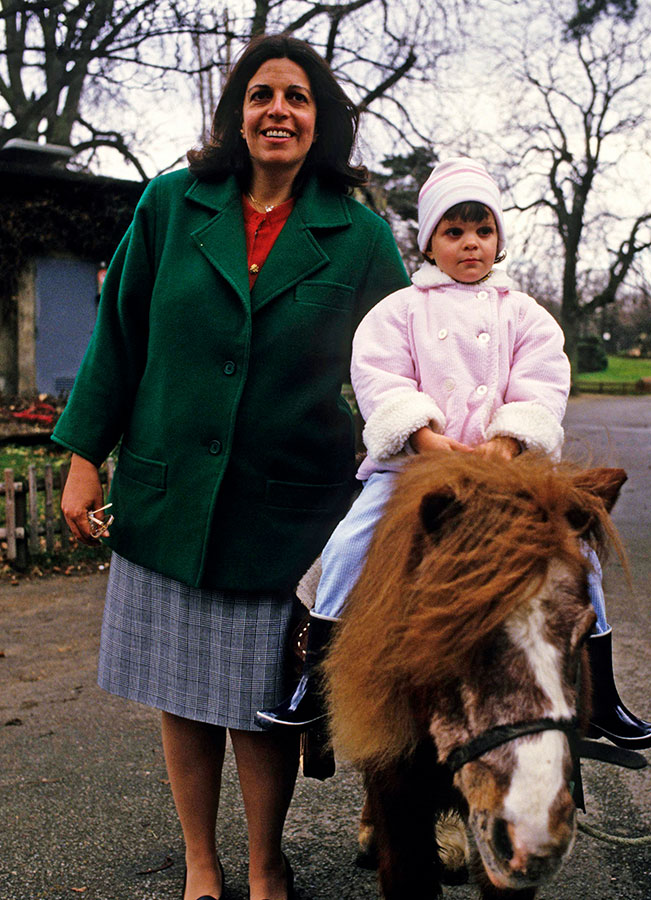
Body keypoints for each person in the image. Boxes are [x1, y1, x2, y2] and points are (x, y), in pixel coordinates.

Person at [53, 34, 409, 900]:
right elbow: (120, 336)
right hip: (170, 491)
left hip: (286, 509)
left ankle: (264, 864)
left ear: (319, 122)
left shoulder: (358, 235)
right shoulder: (173, 204)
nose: (276, 110)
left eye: (296, 97)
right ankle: (201, 865)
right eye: (260, 95)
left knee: (258, 702)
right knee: (181, 691)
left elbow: (404, 356)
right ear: (236, 112)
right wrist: (81, 457)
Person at [256, 157, 651, 755]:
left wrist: (509, 437)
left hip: (507, 473)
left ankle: (601, 691)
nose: (470, 243)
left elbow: (543, 381)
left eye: (482, 230)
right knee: (346, 547)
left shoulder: (524, 314)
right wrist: (419, 434)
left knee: (580, 554)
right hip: (416, 468)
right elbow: (379, 378)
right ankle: (315, 682)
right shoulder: (399, 311)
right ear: (429, 242)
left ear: (498, 238)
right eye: (453, 231)